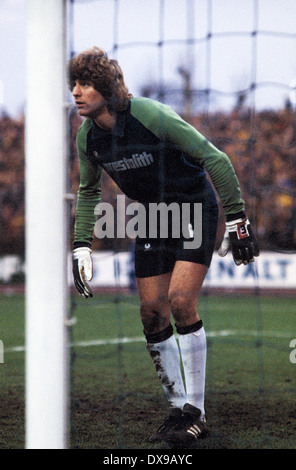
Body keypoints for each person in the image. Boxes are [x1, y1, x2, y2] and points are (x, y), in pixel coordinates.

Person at [69, 47, 259, 448]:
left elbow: (216, 159)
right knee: (151, 311)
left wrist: (238, 219)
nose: (76, 91)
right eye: (73, 83)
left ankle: (196, 412)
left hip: (194, 208)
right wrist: (81, 245)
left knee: (180, 301)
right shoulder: (87, 137)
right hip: (153, 217)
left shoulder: (150, 115)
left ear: (104, 87)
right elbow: (88, 191)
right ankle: (178, 410)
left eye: (84, 83)